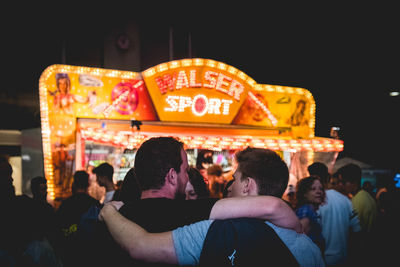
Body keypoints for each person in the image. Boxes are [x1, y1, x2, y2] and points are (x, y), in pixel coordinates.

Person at [100, 147, 324, 267]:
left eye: (234, 179)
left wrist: (109, 211)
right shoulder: (307, 246)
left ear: (247, 185)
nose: (228, 187)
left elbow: (141, 246)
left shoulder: (216, 231)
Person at [311, 162, 361, 266]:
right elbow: (356, 230)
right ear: (328, 178)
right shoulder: (346, 200)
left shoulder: (315, 203)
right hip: (343, 257)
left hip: (320, 258)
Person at [55, 170, 101, 267]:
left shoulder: (65, 205)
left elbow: (58, 231)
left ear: (74, 184)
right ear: (88, 184)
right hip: (92, 255)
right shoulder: (95, 204)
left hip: (71, 256)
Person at [295, 176, 326, 254]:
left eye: (321, 188)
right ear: (304, 193)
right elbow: (298, 238)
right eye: (313, 189)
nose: (319, 191)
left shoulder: (311, 210)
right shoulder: (306, 210)